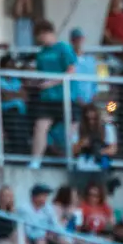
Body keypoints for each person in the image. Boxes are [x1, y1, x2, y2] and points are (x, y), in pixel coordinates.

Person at [30, 20, 77, 170]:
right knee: (40, 126)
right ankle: (35, 161)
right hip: (47, 97)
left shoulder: (63, 48)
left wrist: (52, 82)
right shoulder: (41, 53)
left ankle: (72, 159)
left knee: (70, 129)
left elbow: (70, 70)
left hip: (64, 96)